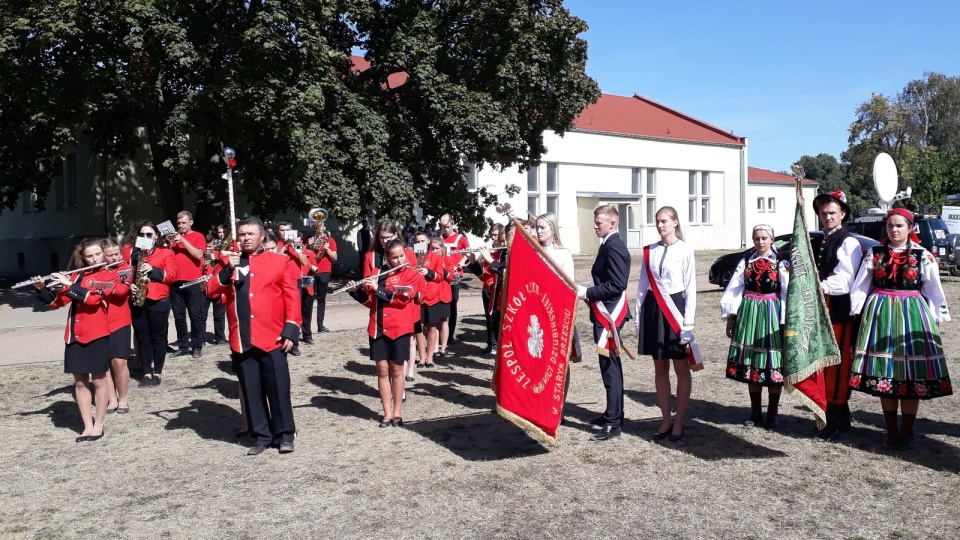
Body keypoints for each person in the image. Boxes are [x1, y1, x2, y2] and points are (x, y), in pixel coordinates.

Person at [848, 208, 952, 449]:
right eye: (890, 226)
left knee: (909, 374)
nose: (894, 230)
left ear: (910, 229)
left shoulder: (922, 255)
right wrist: (854, 311)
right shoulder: (874, 254)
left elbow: (932, 289)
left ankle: (907, 432)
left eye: (899, 226)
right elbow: (862, 285)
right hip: (880, 314)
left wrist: (935, 318)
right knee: (887, 373)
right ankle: (891, 432)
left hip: (911, 314)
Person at [208, 217, 302, 456]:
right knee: (251, 389)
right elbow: (211, 291)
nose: (246, 238)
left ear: (262, 236)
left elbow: (292, 297)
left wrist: (291, 329)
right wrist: (228, 267)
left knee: (278, 388)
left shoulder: (280, 262)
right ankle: (261, 435)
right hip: (242, 337)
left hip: (273, 336)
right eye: (242, 234)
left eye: (251, 233)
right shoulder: (229, 262)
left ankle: (284, 435)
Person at [32, 238, 119, 441]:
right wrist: (40, 288)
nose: (94, 258)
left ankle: (99, 425)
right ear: (83, 258)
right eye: (89, 256)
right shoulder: (78, 275)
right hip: (75, 334)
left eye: (97, 254)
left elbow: (93, 299)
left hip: (97, 333)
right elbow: (57, 302)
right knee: (80, 383)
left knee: (98, 381)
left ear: (104, 254)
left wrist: (69, 283)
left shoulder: (109, 275)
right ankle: (87, 426)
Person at [634, 206, 696, 442]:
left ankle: (679, 421)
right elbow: (641, 287)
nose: (660, 225)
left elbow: (690, 289)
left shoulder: (685, 250)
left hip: (676, 309)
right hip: (653, 309)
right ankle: (665, 420)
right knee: (660, 368)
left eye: (664, 221)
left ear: (675, 222)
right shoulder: (650, 251)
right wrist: (640, 318)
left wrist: (688, 324)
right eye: (657, 221)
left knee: (681, 368)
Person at [720, 224, 789, 428]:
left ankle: (773, 412)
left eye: (764, 238)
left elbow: (786, 292)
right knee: (752, 363)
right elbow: (734, 289)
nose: (760, 242)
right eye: (757, 238)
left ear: (772, 240)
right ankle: (755, 412)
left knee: (772, 361)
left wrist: (786, 321)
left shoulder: (780, 263)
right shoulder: (746, 263)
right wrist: (731, 317)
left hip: (772, 314)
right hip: (749, 313)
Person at [351, 239, 426, 427]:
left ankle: (398, 412)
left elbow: (401, 301)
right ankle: (387, 413)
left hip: (400, 328)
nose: (400, 260)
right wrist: (356, 291)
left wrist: (379, 289)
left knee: (397, 369)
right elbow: (370, 302)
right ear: (387, 258)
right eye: (395, 257)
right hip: (377, 327)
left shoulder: (411, 275)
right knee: (382, 371)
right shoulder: (377, 273)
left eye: (402, 256)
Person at [576, 205, 631, 442]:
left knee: (610, 369)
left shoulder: (615, 247)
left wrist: (587, 292)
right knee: (609, 366)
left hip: (609, 315)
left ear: (612, 223)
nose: (595, 225)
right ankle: (613, 413)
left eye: (599, 222)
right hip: (603, 312)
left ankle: (613, 423)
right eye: (595, 221)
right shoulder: (607, 245)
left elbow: (618, 284)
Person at [812, 190, 863, 441]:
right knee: (824, 361)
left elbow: (845, 280)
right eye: (823, 213)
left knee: (836, 365)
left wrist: (819, 285)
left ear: (842, 213)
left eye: (832, 212)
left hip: (839, 309)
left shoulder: (848, 241)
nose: (827, 216)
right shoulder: (822, 239)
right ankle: (841, 418)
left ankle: (833, 420)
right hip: (824, 309)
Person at [125, 221, 177, 387]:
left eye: (149, 234)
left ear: (156, 235)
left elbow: (171, 276)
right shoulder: (134, 253)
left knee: (157, 338)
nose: (145, 237)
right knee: (142, 338)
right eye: (142, 234)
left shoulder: (165, 252)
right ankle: (146, 373)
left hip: (158, 300)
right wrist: (129, 284)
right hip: (138, 299)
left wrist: (152, 269)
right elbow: (125, 273)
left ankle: (158, 373)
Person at [168, 211, 207, 358]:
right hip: (175, 282)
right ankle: (183, 346)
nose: (181, 225)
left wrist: (183, 241)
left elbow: (198, 255)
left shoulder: (198, 236)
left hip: (192, 281)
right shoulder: (172, 240)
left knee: (195, 315)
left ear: (191, 222)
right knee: (179, 317)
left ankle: (197, 346)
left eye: (184, 223)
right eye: (178, 223)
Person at [101, 237, 133, 414]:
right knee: (104, 363)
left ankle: (123, 398)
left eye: (116, 254)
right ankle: (111, 399)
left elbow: (121, 291)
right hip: (99, 320)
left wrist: (105, 280)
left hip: (120, 319)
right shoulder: (96, 271)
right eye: (109, 255)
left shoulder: (126, 269)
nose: (114, 258)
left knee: (119, 362)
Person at [466, 223, 506, 354]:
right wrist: (473, 262)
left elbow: (503, 271)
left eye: (496, 235)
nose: (493, 238)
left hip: (500, 290)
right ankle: (491, 343)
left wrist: (490, 259)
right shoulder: (490, 251)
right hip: (489, 289)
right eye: (491, 235)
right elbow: (484, 276)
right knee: (490, 318)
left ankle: (499, 345)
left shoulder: (503, 252)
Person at [417, 236, 453, 368]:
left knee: (432, 327)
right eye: (418, 241)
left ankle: (430, 358)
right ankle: (421, 358)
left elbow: (440, 277)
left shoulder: (436, 257)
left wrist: (428, 272)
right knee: (419, 329)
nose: (420, 243)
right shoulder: (414, 257)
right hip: (418, 296)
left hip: (432, 296)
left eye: (423, 241)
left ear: (427, 242)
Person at [440, 214, 468, 348]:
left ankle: (450, 335)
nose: (445, 229)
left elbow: (467, 253)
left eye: (448, 227)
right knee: (441, 303)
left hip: (455, 274)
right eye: (443, 227)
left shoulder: (460, 238)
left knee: (452, 303)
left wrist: (461, 262)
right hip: (442, 274)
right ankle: (442, 334)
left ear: (453, 224)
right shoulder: (439, 239)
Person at [200, 226, 228, 346]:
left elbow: (224, 267)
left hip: (216, 287)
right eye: (207, 247)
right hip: (204, 287)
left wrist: (215, 259)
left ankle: (220, 337)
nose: (208, 249)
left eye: (210, 247)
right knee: (201, 315)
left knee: (219, 315)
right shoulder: (200, 256)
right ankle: (201, 338)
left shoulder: (219, 254)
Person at [310, 223, 338, 334]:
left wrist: (327, 249)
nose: (319, 228)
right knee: (308, 300)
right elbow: (303, 253)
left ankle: (320, 325)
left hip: (324, 271)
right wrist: (308, 245)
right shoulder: (309, 239)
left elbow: (335, 257)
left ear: (324, 228)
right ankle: (306, 327)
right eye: (317, 226)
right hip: (310, 271)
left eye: (320, 226)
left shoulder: (330, 240)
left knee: (321, 299)